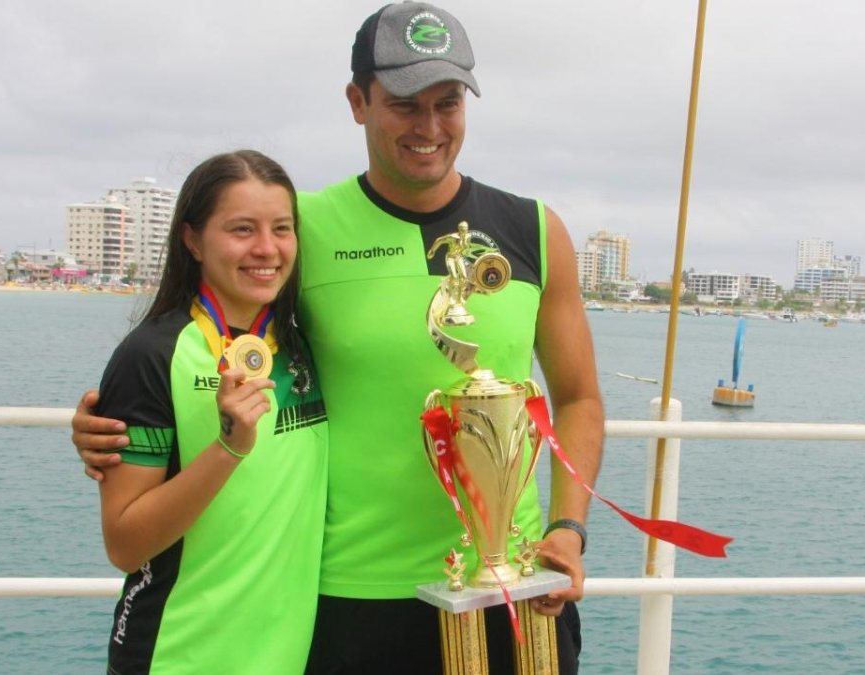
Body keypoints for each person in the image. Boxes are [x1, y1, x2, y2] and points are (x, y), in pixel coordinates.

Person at [74, 4, 604, 673]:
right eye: (406, 104)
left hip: (513, 586)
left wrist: (567, 527)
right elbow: (208, 331)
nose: (430, 127)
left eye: (448, 103)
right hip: (353, 596)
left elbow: (579, 397)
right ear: (358, 102)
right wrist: (112, 425)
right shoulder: (304, 229)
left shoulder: (534, 228)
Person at [92, 150, 327, 674]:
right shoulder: (151, 355)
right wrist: (228, 448)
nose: (266, 249)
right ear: (193, 239)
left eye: (282, 229)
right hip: (180, 652)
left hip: (284, 655)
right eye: (241, 230)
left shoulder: (300, 344)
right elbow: (125, 544)